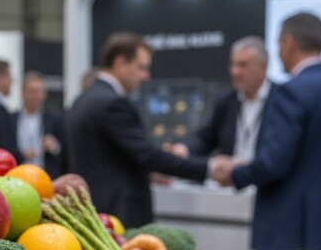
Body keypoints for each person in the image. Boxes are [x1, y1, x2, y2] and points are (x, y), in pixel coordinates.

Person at [213, 12, 321, 250]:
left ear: (289, 43)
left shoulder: (290, 92)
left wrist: (234, 174)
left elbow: (273, 162)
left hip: (290, 232)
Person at [66, 32, 222, 228]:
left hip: (95, 212)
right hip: (117, 217)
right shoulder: (112, 103)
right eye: (141, 68)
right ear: (121, 63)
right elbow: (148, 155)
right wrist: (208, 168)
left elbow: (107, 159)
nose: (145, 76)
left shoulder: (83, 99)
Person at [173, 37, 277, 163]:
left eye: (243, 65)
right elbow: (207, 137)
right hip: (230, 180)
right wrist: (185, 149)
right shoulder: (227, 102)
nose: (235, 71)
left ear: (263, 67)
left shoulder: (281, 100)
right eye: (233, 64)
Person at [13, 71, 65, 177]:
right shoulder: (11, 119)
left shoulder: (55, 119)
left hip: (45, 176)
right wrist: (21, 154)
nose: (36, 96)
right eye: (32, 92)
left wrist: (54, 146)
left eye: (39, 92)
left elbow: (64, 151)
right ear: (23, 93)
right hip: (17, 175)